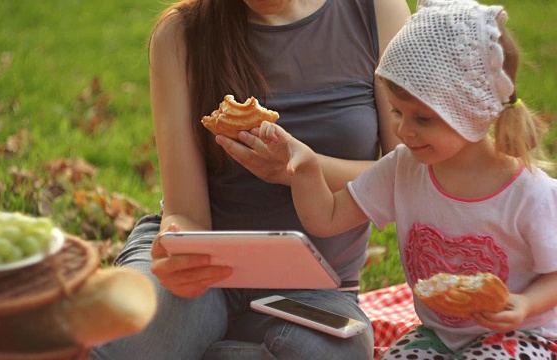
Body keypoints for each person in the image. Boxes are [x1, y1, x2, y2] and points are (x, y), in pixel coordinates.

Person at [90, 0, 410, 359]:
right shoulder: (181, 34)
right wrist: (175, 244)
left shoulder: (374, 12)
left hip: (315, 290)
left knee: (335, 351)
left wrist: (298, 169)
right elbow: (186, 213)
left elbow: (413, 175)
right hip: (206, 273)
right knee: (130, 339)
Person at [254, 0, 557, 358]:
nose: (402, 130)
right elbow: (327, 218)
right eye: (397, 112)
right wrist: (304, 169)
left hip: (524, 333)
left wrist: (523, 304)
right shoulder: (404, 167)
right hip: (439, 333)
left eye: (423, 118)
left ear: (472, 112)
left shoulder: (529, 193)